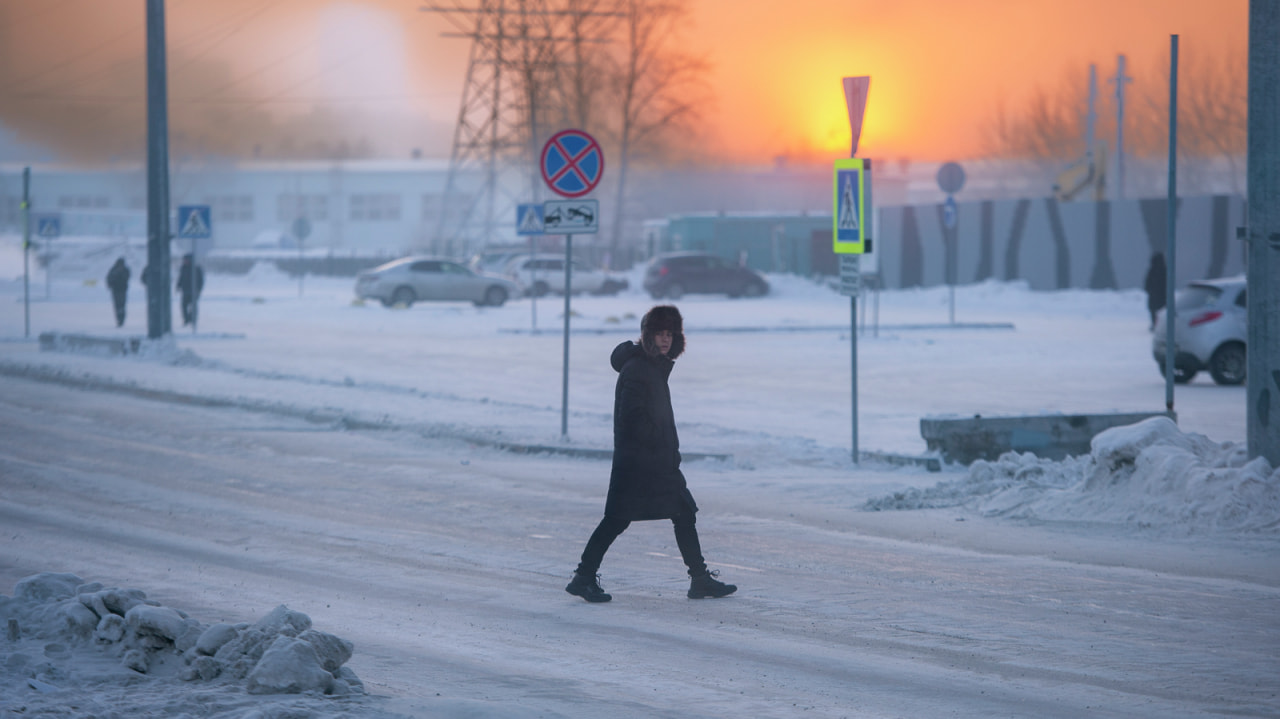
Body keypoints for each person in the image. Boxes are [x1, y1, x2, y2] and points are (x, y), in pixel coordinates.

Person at [566, 305, 737, 603]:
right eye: (659, 333)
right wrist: (658, 443)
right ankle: (583, 577)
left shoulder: (652, 368)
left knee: (683, 513)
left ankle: (699, 579)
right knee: (617, 520)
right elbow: (632, 418)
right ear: (647, 336)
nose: (665, 339)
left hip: (654, 461)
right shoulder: (638, 370)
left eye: (670, 333)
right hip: (640, 463)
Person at [176, 254, 205, 327]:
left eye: (186, 260)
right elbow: (181, 278)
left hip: (194, 291)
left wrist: (199, 289)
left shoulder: (196, 268)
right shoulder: (183, 268)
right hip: (185, 290)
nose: (185, 261)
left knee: (193, 306)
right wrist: (178, 286)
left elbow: (200, 280)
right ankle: (186, 319)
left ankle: (192, 319)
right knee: (184, 306)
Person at [1144, 252, 1167, 331]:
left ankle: (1155, 324)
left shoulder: (1152, 270)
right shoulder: (1165, 270)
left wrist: (1149, 290)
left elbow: (1147, 282)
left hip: (1154, 295)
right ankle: (1159, 325)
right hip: (1162, 296)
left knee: (1154, 311)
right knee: (1161, 311)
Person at [105, 257, 130, 327]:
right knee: (117, 306)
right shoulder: (114, 269)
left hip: (122, 290)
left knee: (121, 305)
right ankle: (119, 320)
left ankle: (121, 320)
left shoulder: (125, 270)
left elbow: (126, 277)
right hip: (116, 290)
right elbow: (109, 278)